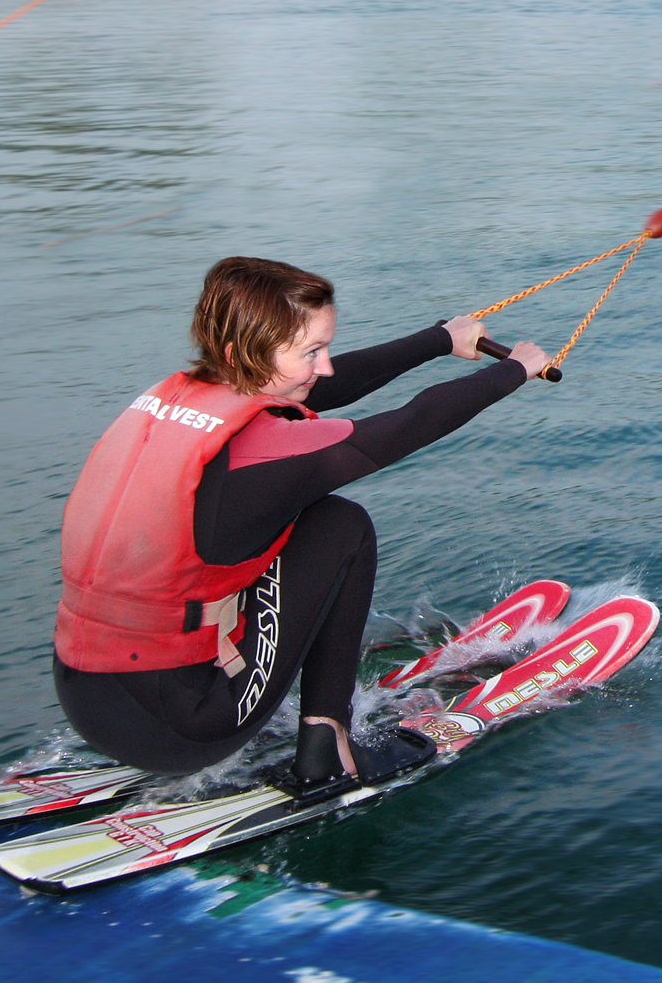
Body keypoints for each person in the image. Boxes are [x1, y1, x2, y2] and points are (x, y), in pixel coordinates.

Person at [51, 256, 550, 792]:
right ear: (241, 352)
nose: (325, 367)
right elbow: (410, 423)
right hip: (183, 728)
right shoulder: (267, 454)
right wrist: (513, 369)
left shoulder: (174, 400)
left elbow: (321, 388)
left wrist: (440, 340)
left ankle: (245, 691)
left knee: (296, 516)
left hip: (87, 699)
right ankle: (326, 749)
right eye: (311, 352)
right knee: (340, 527)